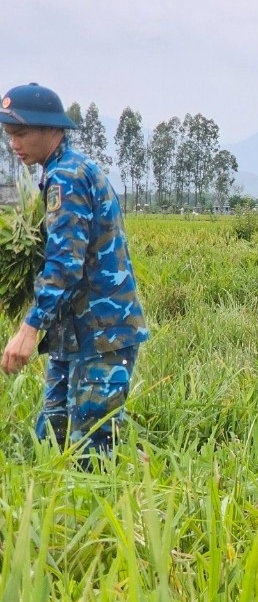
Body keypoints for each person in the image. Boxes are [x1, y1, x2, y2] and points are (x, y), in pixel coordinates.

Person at [0, 83, 148, 463]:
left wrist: (28, 329)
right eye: (9, 135)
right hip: (75, 334)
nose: (14, 144)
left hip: (101, 332)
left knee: (91, 454)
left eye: (21, 134)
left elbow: (65, 263)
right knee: (50, 439)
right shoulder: (60, 171)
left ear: (52, 129)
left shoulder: (66, 177)